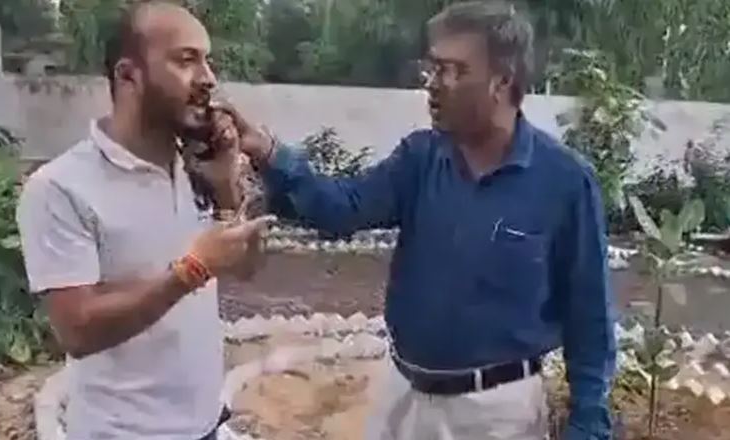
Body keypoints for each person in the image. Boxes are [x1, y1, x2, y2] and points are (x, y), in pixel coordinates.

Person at [218, 1, 617, 439]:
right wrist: (269, 152)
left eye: (453, 70)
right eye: (433, 68)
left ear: (502, 81)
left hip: (497, 414)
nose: (433, 84)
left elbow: (590, 318)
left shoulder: (564, 182)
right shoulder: (420, 158)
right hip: (403, 398)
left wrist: (588, 421)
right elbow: (341, 209)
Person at [16, 2, 273, 439]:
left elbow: (246, 268)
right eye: (186, 60)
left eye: (207, 61)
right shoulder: (60, 187)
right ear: (128, 75)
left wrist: (227, 190)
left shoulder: (196, 169)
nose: (208, 78)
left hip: (206, 427)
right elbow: (77, 331)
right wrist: (192, 270)